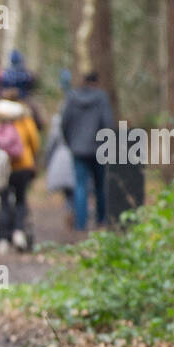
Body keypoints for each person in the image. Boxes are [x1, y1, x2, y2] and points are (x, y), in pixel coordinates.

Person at [59, 72, 116, 231]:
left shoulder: (72, 98)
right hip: (99, 148)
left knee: (80, 186)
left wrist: (70, 142)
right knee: (100, 185)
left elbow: (64, 122)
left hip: (78, 148)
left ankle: (80, 224)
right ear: (96, 82)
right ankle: (101, 220)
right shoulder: (101, 98)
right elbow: (108, 123)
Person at [0, 88, 41, 253]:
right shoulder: (24, 118)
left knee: (2, 201)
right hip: (22, 165)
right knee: (20, 200)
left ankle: (2, 237)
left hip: (1, 166)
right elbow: (34, 141)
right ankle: (18, 231)